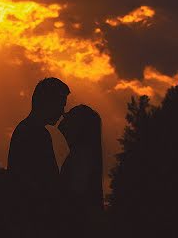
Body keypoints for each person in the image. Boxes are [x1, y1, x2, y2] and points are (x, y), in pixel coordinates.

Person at [6, 77, 70, 236]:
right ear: (47, 101)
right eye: (60, 104)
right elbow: (48, 181)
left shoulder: (26, 129)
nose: (62, 112)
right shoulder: (36, 133)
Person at [58, 105, 104, 236]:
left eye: (69, 119)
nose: (62, 122)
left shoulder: (81, 156)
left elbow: (74, 197)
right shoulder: (84, 155)